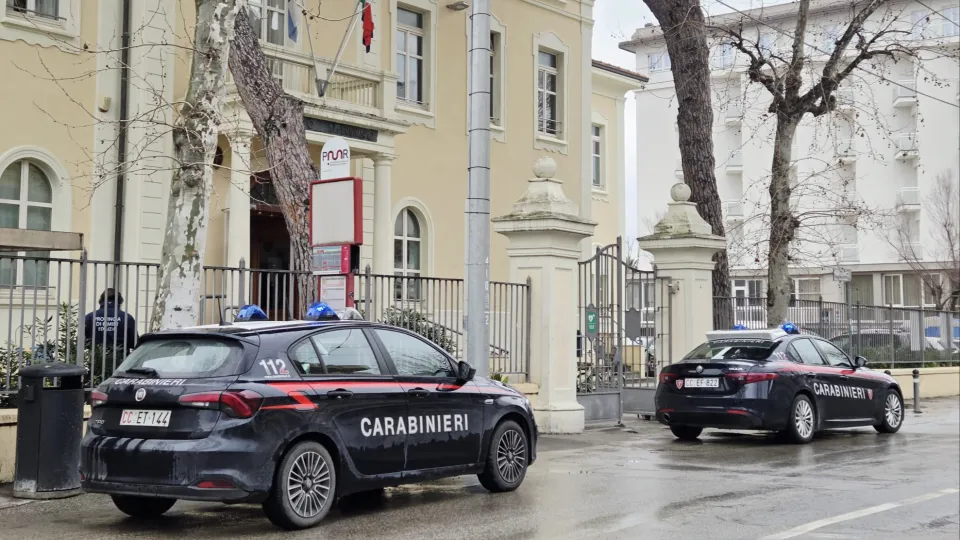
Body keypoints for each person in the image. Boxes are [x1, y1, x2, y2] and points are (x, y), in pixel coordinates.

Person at [84, 289, 139, 357]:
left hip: (96, 360)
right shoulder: (127, 318)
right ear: (119, 301)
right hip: (120, 361)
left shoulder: (90, 317)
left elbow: (82, 341)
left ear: (101, 301)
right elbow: (135, 343)